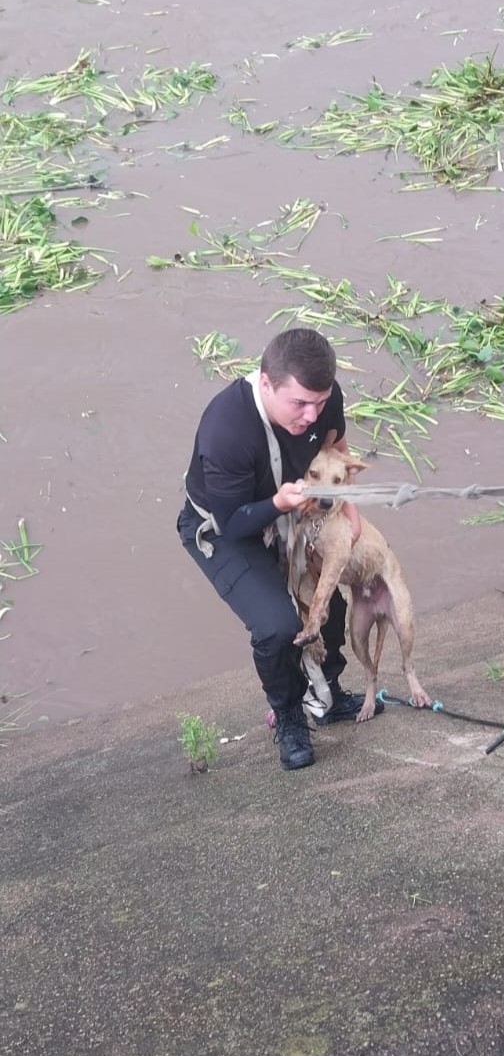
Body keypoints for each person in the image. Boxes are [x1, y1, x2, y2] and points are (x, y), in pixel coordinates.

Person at [176, 327, 382, 771]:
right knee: (276, 625)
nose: (311, 414)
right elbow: (232, 524)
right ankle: (289, 716)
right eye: (300, 404)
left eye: (319, 402)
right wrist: (277, 503)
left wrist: (350, 506)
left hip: (292, 508)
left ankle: (327, 694)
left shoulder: (323, 398)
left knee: (326, 605)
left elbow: (336, 444)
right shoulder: (226, 429)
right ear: (266, 383)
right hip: (226, 528)